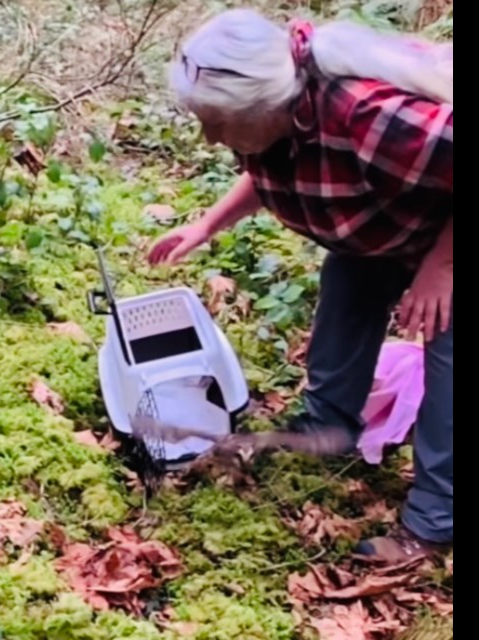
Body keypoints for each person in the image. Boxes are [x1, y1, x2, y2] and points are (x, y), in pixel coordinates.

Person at [147, 9, 452, 564]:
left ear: (267, 105)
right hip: (386, 232)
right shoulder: (273, 116)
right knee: (345, 297)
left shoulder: (370, 115)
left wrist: (441, 268)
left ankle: (431, 526)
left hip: (443, 240)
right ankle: (325, 429)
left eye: (217, 123)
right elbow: (274, 173)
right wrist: (207, 225)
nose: (210, 137)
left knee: (449, 368)